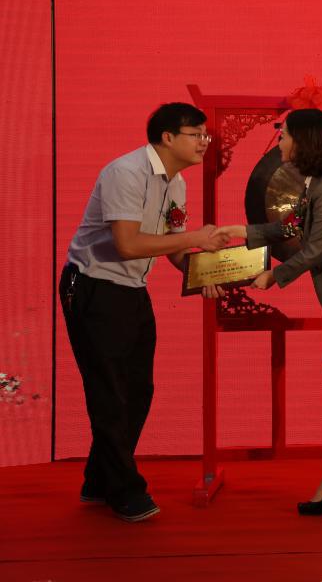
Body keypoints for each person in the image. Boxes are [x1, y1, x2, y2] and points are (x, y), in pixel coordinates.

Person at [60, 102, 228, 522]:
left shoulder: (176, 183)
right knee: (110, 393)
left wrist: (204, 272)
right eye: (196, 134)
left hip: (132, 289)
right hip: (95, 287)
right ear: (167, 137)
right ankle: (124, 489)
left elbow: (173, 247)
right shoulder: (126, 172)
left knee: (138, 391)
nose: (204, 142)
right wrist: (195, 238)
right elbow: (129, 244)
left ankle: (99, 480)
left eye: (205, 135)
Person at [214, 108, 322, 520]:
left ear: (304, 140)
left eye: (285, 136)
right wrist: (242, 231)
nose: (280, 142)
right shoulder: (317, 181)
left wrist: (273, 276)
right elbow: (292, 227)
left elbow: (315, 249)